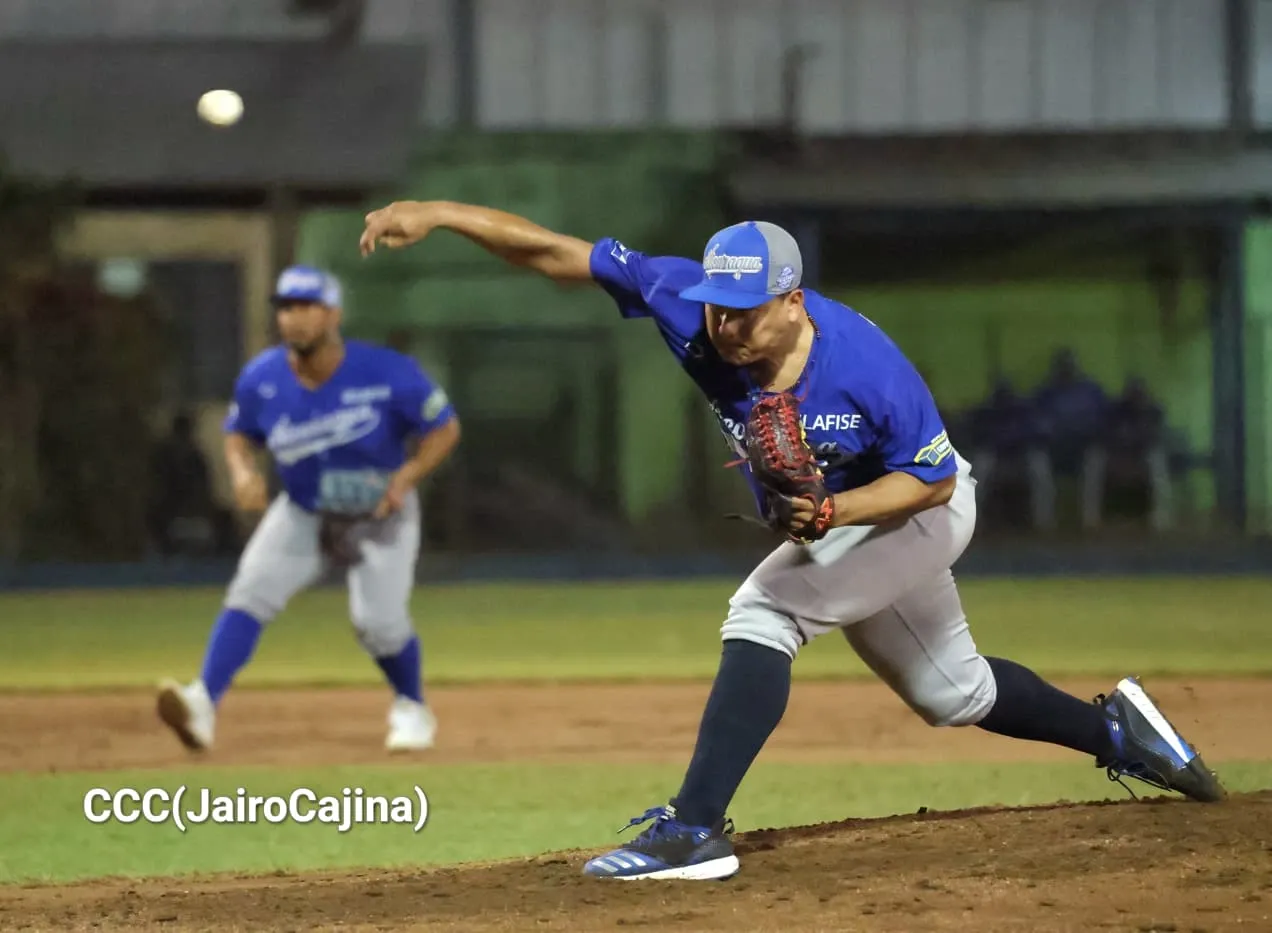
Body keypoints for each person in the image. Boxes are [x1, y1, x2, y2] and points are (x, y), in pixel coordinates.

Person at [359, 201, 1224, 881]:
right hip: (856, 522)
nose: (725, 327)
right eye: (717, 307)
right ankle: (1123, 737)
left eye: (744, 311)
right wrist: (442, 212)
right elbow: (558, 255)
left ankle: (694, 827)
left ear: (791, 301)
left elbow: (931, 480)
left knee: (765, 609)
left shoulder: (864, 366)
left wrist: (832, 517)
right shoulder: (686, 306)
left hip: (914, 511)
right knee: (950, 691)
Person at [156, 265, 461, 754]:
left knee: (378, 623)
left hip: (379, 514)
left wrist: (406, 476)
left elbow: (443, 428)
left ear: (333, 314)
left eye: (306, 307)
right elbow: (239, 434)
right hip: (303, 510)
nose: (293, 318)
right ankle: (202, 703)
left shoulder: (386, 372)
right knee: (250, 593)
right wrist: (242, 472)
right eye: (285, 307)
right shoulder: (262, 377)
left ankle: (411, 705)